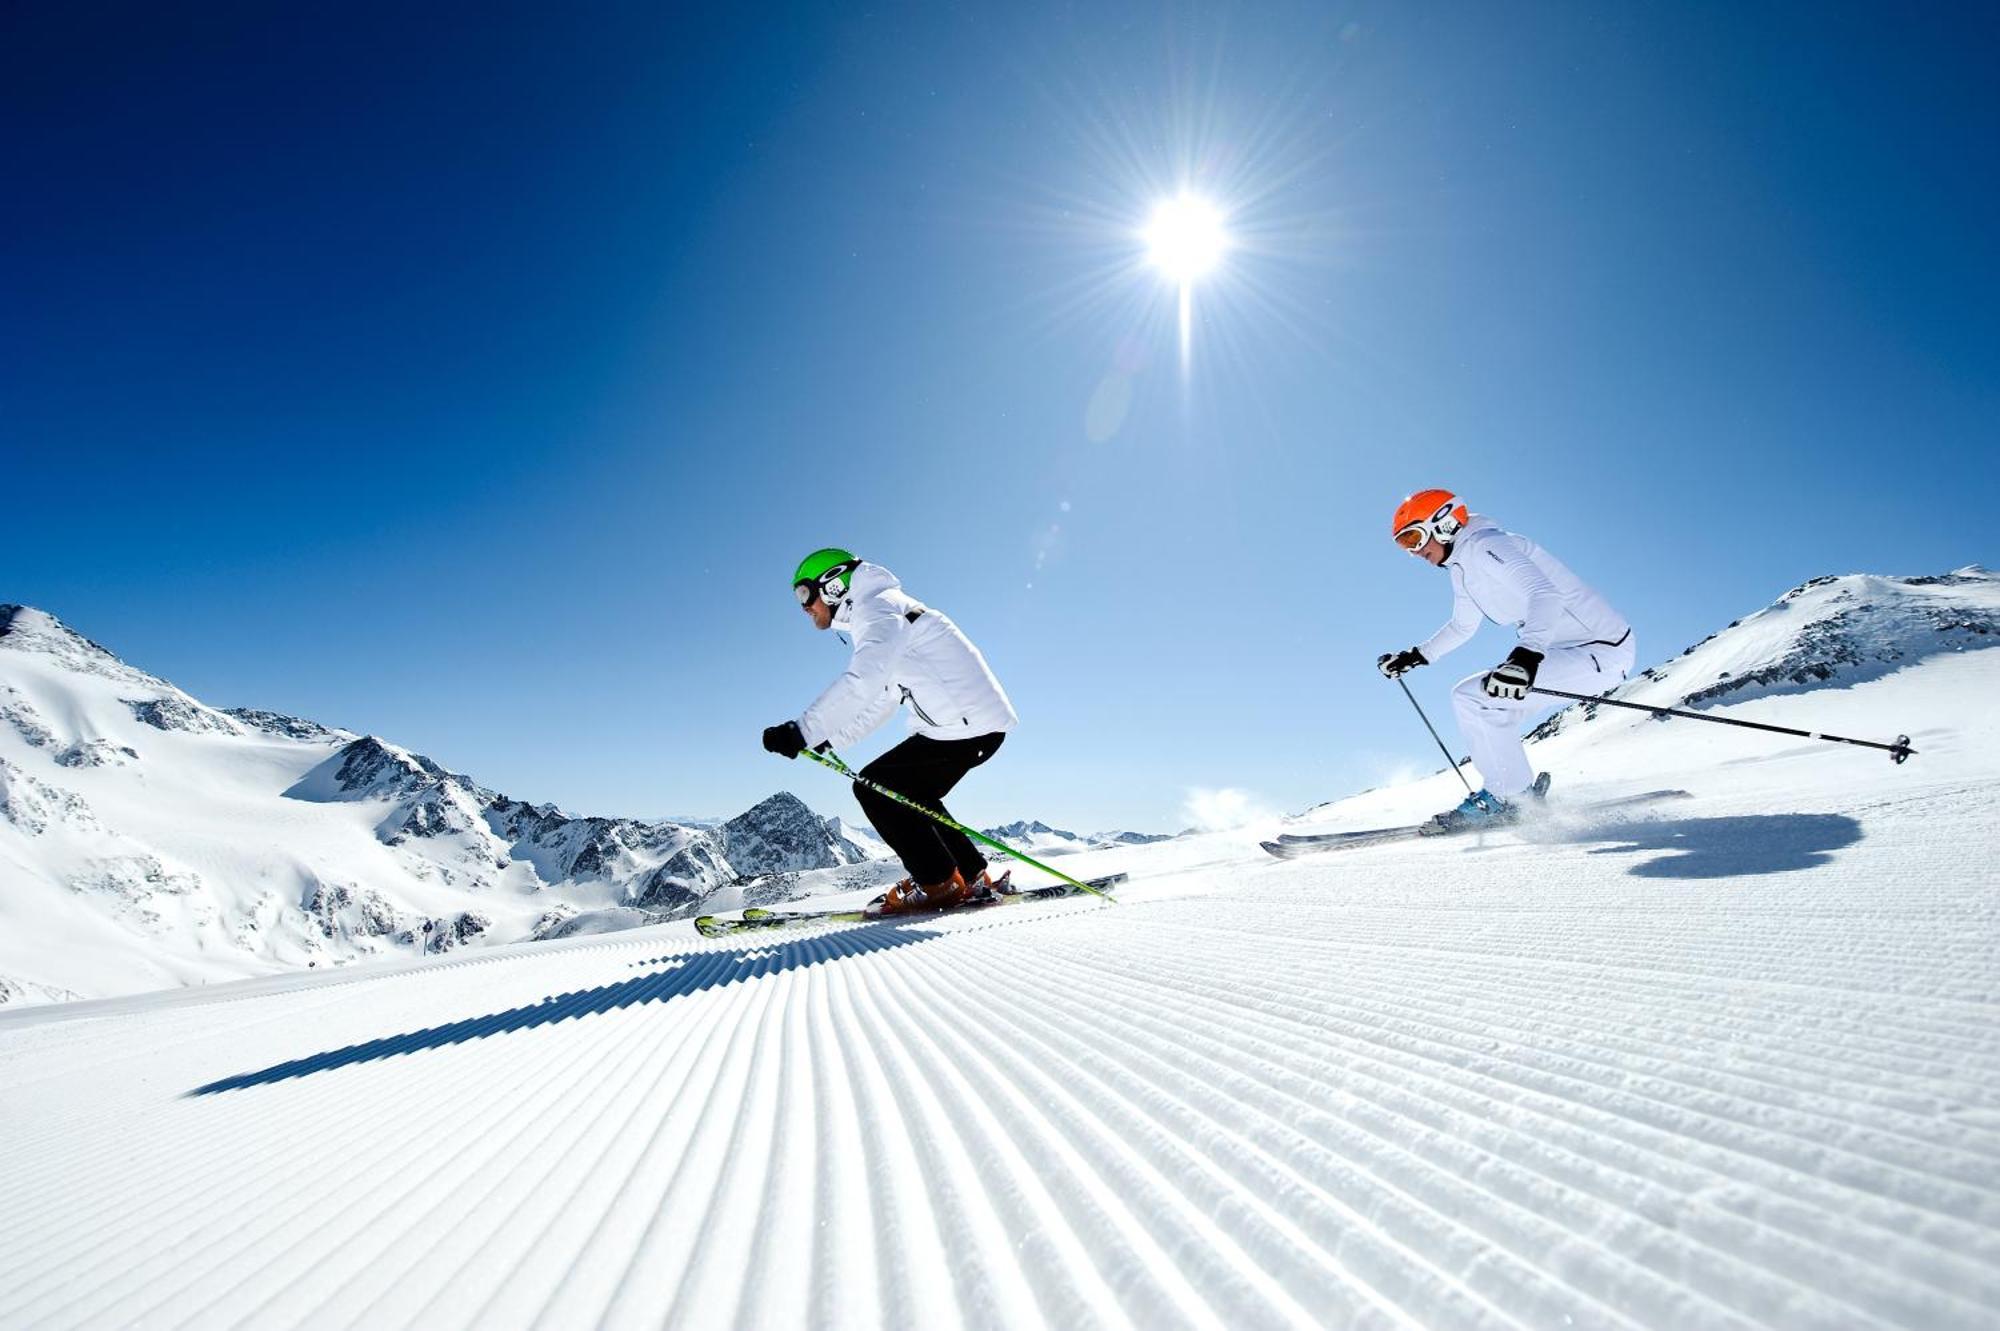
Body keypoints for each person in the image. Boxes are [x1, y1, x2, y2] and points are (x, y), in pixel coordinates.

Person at [762, 548, 1018, 912]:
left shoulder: (878, 611)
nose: (803, 606)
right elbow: (885, 696)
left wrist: (801, 730)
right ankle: (971, 877)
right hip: (968, 725)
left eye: (805, 594)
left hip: (965, 726)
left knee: (876, 789)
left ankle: (938, 884)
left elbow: (863, 681)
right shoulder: (885, 609)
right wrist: (830, 737)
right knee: (911, 793)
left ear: (834, 585)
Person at [1377, 490, 1633, 833]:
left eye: (1413, 537)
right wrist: (1416, 656)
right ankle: (1516, 798)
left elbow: (1545, 594)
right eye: (1403, 545)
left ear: (1444, 522)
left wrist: (1527, 655)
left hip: (1600, 650)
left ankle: (1509, 799)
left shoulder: (1486, 546)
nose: (1414, 551)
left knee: (1477, 698)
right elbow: (1462, 626)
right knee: (1474, 699)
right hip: (1569, 653)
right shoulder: (1462, 567)